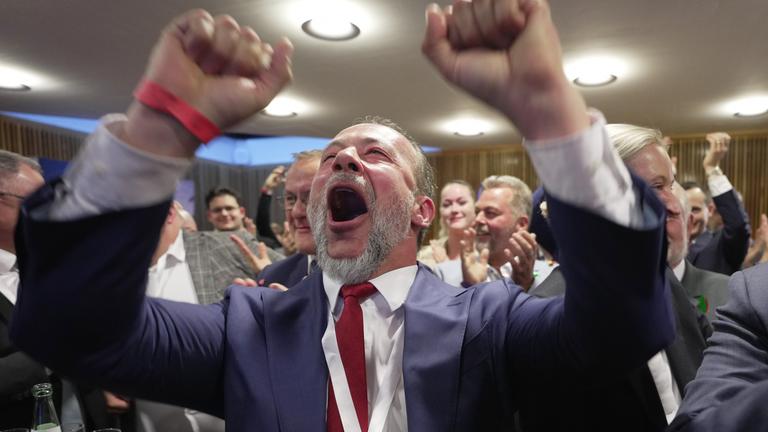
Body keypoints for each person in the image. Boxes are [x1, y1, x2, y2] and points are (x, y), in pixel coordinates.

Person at [12, 2, 672, 430]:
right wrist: (156, 136)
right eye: (333, 157)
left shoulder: (488, 319)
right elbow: (74, 331)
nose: (344, 164)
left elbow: (622, 328)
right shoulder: (248, 330)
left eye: (373, 155)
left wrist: (550, 115)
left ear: (421, 211)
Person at [521, 124, 711, 431]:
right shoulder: (547, 314)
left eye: (671, 185)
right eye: (656, 188)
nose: (675, 205)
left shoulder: (660, 277)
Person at [458, 175, 553, 291]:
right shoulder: (445, 274)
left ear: (521, 224)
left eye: (490, 213)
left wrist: (525, 287)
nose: (478, 219)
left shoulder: (552, 277)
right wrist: (469, 287)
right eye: (477, 212)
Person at [683, 132, 750, 275]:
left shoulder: (721, 246)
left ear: (709, 210)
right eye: (683, 210)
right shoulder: (666, 246)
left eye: (695, 210)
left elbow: (737, 224)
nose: (689, 217)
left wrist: (712, 168)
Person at [669, 183, 729, 321]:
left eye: (669, 214)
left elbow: (736, 225)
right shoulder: (618, 293)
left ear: (688, 224)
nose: (657, 224)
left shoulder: (723, 291)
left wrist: (712, 170)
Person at [416, 179, 476, 275]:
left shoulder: (486, 254)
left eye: (462, 203)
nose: (454, 210)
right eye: (447, 204)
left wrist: (445, 265)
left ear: (475, 207)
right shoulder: (425, 256)